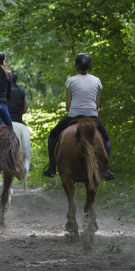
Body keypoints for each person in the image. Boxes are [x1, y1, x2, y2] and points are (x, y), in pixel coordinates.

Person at [42, 53, 115, 181]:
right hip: (92, 117)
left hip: (73, 116)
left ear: (76, 66)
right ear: (90, 66)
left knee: (53, 135)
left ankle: (52, 166)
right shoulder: (97, 81)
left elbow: (68, 106)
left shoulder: (71, 81)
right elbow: (97, 105)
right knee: (106, 139)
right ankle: (106, 168)